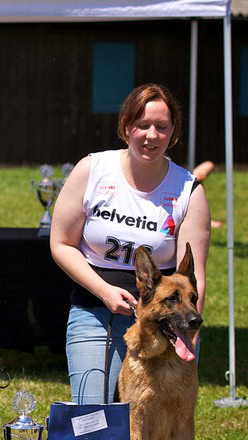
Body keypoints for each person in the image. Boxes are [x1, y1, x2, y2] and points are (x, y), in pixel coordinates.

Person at [50, 83, 210, 405]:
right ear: (126, 127)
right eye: (142, 125)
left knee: (151, 421)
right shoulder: (93, 170)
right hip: (94, 311)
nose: (151, 135)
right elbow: (61, 244)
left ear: (173, 132)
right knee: (93, 417)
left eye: (161, 127)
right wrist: (104, 291)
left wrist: (186, 336)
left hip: (162, 323)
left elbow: (194, 279)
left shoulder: (188, 191)